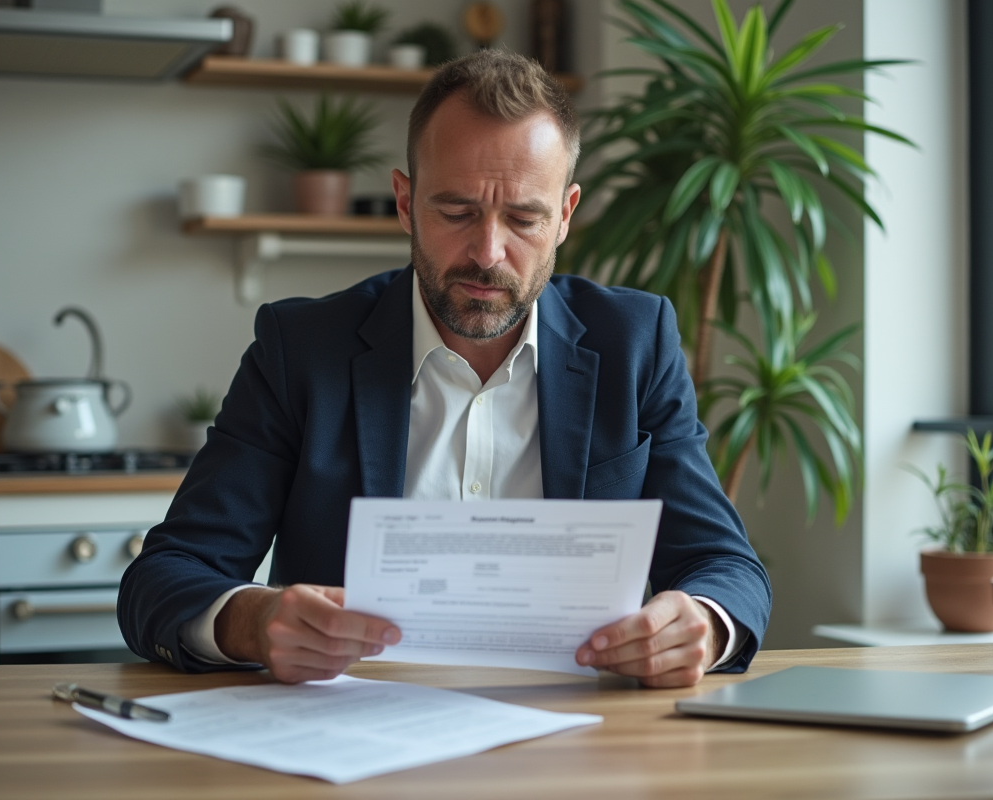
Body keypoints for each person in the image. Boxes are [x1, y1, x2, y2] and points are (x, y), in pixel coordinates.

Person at [119, 50, 771, 688]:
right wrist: (253, 622)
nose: (488, 252)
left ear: (565, 216)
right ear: (405, 203)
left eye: (524, 218)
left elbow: (725, 566)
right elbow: (165, 575)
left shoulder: (634, 343)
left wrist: (702, 625)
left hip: (579, 730)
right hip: (353, 732)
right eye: (457, 212)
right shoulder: (301, 350)